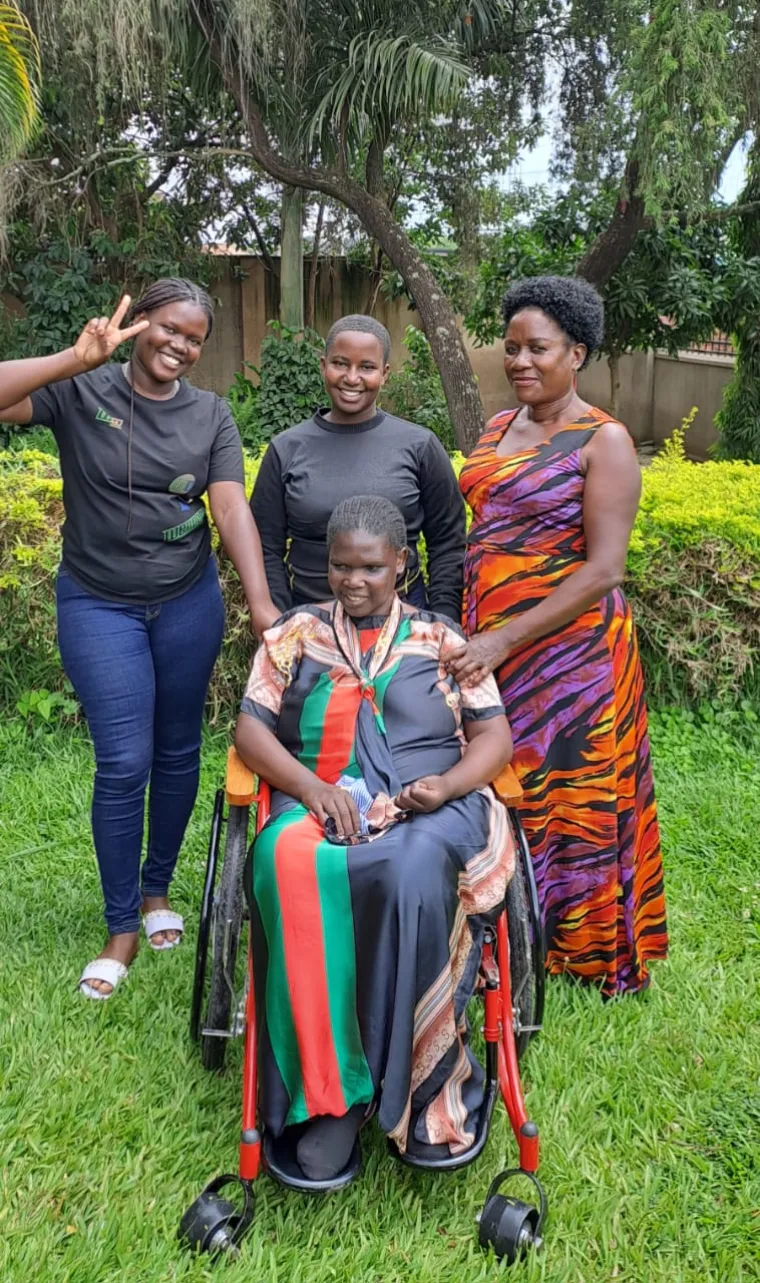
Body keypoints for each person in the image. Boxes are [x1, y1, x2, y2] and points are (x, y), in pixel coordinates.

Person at [0, 279, 278, 999]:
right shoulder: (78, 389)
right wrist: (70, 358)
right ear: (139, 323)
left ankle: (158, 890)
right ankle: (121, 923)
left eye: (195, 339)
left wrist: (260, 602)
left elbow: (229, 505)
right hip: (98, 604)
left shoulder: (210, 414)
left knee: (179, 749)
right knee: (124, 760)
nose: (180, 346)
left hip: (186, 605)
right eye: (169, 329)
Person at [235, 495, 514, 1181]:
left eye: (370, 568)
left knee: (412, 867)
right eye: (339, 567)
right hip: (326, 799)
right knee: (279, 856)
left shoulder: (440, 638)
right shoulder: (294, 634)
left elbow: (494, 735)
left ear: (401, 566)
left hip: (433, 807)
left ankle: (424, 1091)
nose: (354, 581)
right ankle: (328, 1102)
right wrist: (310, 788)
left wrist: (446, 787)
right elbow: (249, 729)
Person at [450, 275, 668, 999]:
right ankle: (510, 925)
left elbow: (604, 569)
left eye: (537, 348)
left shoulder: (603, 439)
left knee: (570, 792)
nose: (520, 361)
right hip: (493, 642)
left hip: (571, 655)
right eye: (511, 348)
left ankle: (579, 949)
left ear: (576, 352)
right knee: (504, 784)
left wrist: (502, 641)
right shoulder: (494, 429)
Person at [250, 314, 466, 622]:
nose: (352, 378)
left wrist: (442, 620)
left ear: (385, 373)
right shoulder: (287, 449)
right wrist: (282, 618)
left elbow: (448, 543)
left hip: (403, 620)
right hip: (309, 618)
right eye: (340, 363)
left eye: (366, 367)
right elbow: (264, 547)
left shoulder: (420, 446)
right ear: (323, 365)